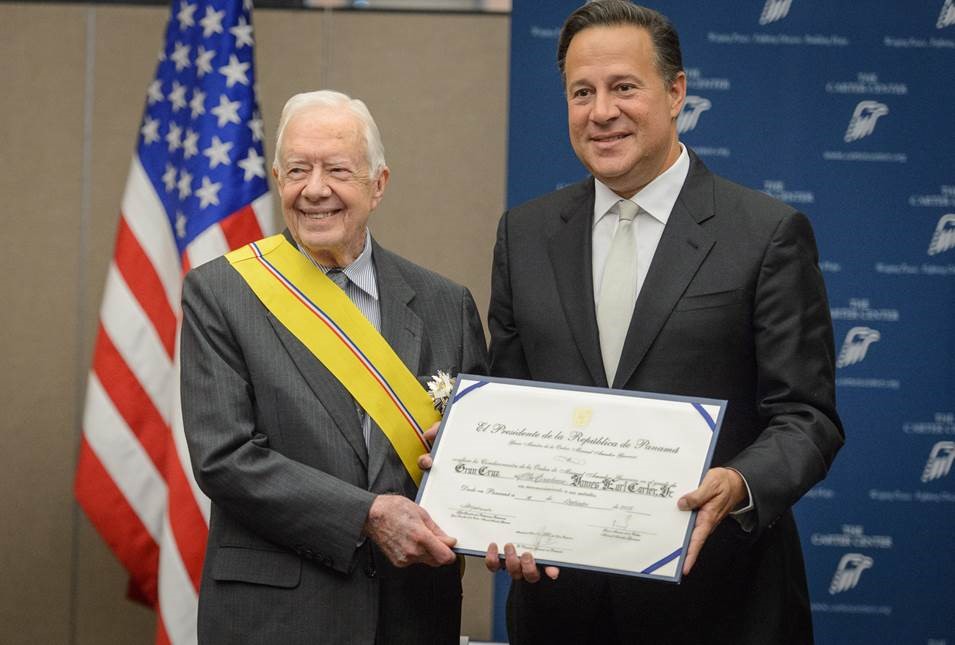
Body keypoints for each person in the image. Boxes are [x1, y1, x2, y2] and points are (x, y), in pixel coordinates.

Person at [484, 2, 844, 643]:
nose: (602, 112)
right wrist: (498, 502)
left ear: (676, 92)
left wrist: (740, 483)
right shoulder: (525, 233)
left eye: (624, 87)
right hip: (559, 607)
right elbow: (512, 403)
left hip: (719, 603)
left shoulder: (765, 234)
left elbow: (808, 418)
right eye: (582, 92)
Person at [180, 90, 487, 644]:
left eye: (338, 170)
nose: (315, 189)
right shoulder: (221, 293)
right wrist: (366, 515)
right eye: (298, 169)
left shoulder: (447, 305)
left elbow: (483, 458)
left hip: (412, 613)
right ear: (277, 177)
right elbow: (224, 458)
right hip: (276, 617)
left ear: (379, 184)